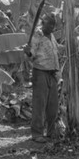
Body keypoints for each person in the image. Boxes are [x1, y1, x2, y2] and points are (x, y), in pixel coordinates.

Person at [24, 13, 60, 143]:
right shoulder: (37, 36)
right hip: (40, 72)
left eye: (53, 24)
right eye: (49, 23)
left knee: (53, 106)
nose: (51, 26)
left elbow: (54, 52)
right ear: (43, 23)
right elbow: (31, 53)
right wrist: (28, 51)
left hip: (52, 74)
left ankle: (51, 132)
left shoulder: (52, 36)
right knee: (39, 104)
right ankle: (37, 133)